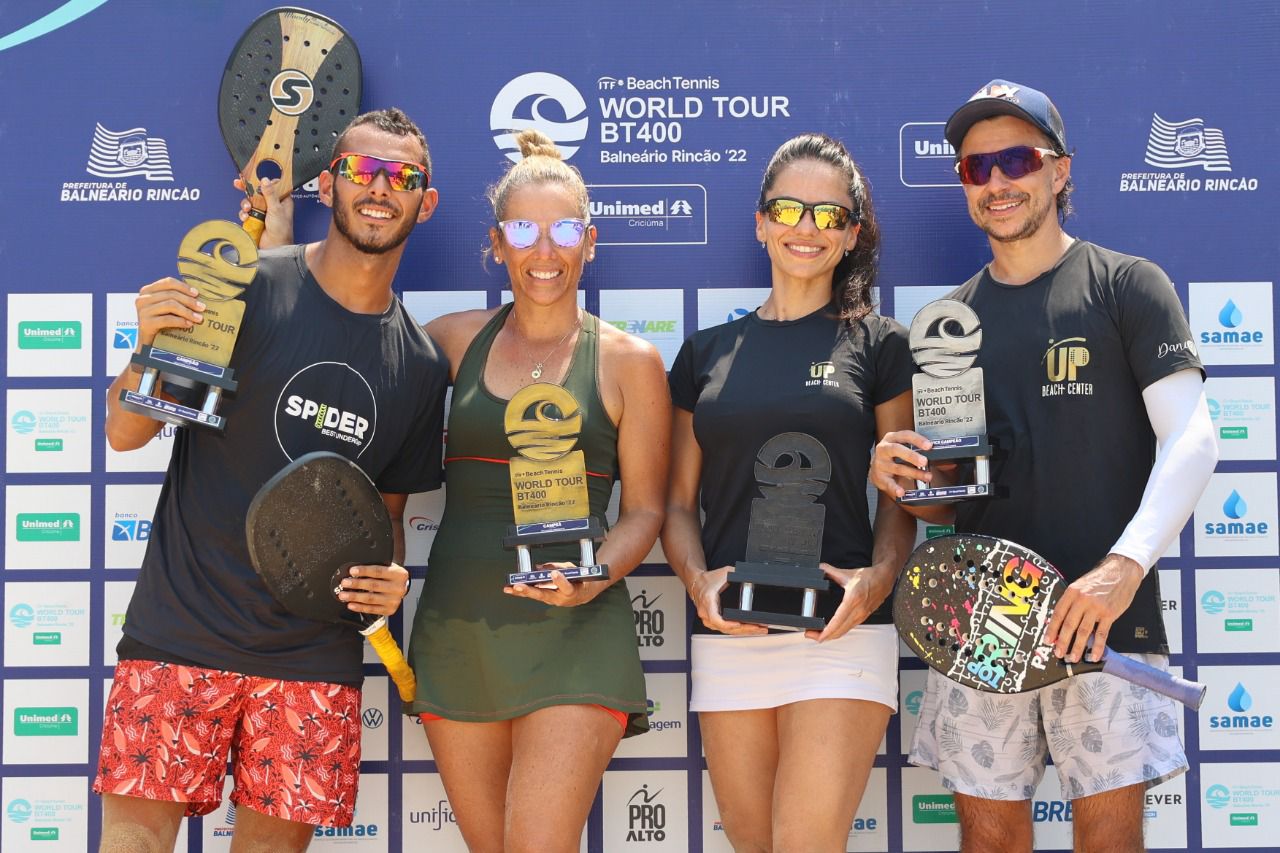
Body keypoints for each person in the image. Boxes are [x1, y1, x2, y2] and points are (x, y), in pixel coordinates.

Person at [872, 80, 1218, 853]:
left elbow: (1194, 438)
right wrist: (905, 480)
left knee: (1108, 838)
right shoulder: (947, 324)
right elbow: (951, 500)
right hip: (980, 624)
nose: (997, 182)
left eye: (1017, 159)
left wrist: (1121, 568)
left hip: (1105, 617)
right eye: (975, 167)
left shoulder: (1129, 285)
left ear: (1060, 171)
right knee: (987, 838)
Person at [97, 107, 448, 852]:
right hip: (182, 630)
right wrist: (145, 349)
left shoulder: (420, 366)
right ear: (330, 184)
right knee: (132, 841)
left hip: (310, 657)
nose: (379, 189)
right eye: (362, 170)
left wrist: (389, 577)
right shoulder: (243, 287)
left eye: (402, 176)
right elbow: (126, 433)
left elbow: (377, 521)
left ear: (427, 200)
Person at [404, 128, 670, 852]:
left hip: (578, 631)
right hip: (459, 630)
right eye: (523, 229)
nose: (543, 251)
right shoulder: (450, 341)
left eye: (563, 230)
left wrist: (593, 577)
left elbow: (645, 508)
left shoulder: (631, 360)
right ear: (496, 242)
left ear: (590, 239)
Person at [662, 133, 919, 851]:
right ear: (759, 222)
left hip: (839, 628)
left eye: (828, 215)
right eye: (788, 208)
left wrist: (876, 580)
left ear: (852, 234)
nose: (806, 228)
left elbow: (902, 499)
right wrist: (697, 582)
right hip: (731, 631)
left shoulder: (880, 344)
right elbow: (678, 505)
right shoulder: (704, 352)